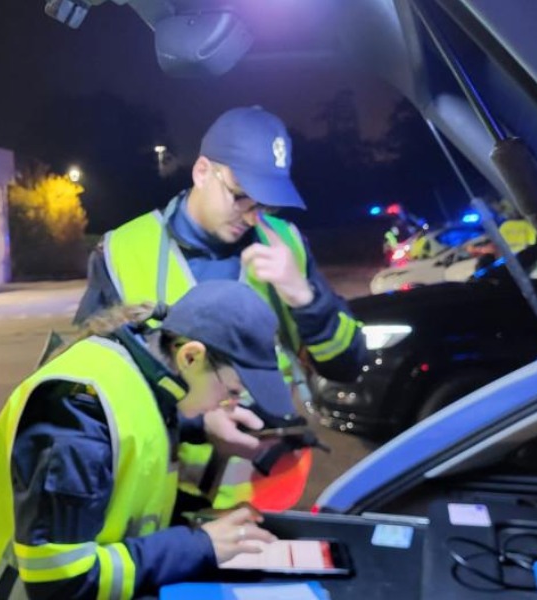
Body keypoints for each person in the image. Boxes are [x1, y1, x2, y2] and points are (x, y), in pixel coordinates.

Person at [74, 106, 366, 512]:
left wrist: (303, 296)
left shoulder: (285, 244)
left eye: (267, 204)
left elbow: (347, 365)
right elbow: (88, 392)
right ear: (202, 172)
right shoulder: (122, 250)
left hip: (270, 493)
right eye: (241, 196)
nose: (253, 216)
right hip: (163, 498)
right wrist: (193, 422)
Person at [0, 280, 285, 599]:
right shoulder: (78, 406)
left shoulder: (152, 380)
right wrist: (198, 547)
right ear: (191, 356)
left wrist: (201, 427)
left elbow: (134, 438)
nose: (229, 405)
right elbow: (59, 582)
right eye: (231, 392)